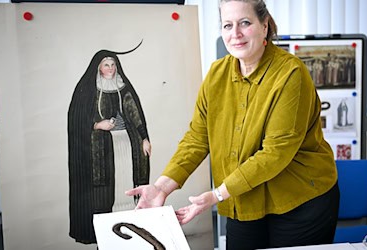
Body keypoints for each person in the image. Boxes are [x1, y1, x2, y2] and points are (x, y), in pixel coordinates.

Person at [126, 1, 339, 249]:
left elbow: (275, 154)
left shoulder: (291, 74)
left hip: (300, 201)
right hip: (244, 198)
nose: (235, 34)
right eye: (227, 25)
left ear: (264, 25)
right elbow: (197, 138)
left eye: (245, 23)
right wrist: (162, 187)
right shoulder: (217, 74)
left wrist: (217, 195)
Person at [68, 43, 151, 244]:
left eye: (113, 64)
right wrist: (98, 125)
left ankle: (129, 228)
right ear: (98, 67)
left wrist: (144, 137)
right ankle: (106, 235)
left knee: (126, 184)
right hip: (101, 151)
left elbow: (135, 113)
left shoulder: (123, 87)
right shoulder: (87, 90)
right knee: (105, 191)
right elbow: (77, 120)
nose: (111, 68)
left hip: (126, 147)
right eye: (106, 65)